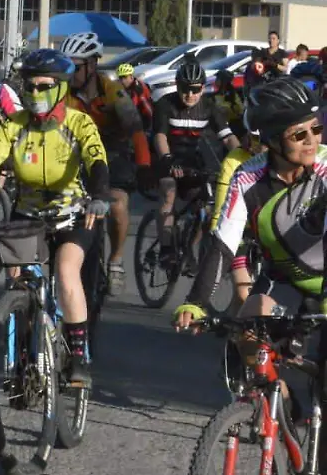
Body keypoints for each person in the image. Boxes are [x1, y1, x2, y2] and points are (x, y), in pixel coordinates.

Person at [0, 48, 110, 387]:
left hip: (73, 214)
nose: (35, 93)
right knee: (18, 280)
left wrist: (99, 197)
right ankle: (22, 360)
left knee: (66, 270)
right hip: (29, 213)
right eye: (30, 86)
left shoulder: (79, 123)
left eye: (44, 86)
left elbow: (97, 163)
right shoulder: (14, 125)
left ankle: (77, 357)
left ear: (61, 88)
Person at [174, 77, 327, 334]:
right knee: (250, 330)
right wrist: (196, 301)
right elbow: (224, 242)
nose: (312, 140)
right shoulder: (247, 177)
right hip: (285, 280)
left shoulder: (325, 164)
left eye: (316, 128)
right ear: (273, 140)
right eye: (299, 134)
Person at [59, 32, 152, 296]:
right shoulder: (63, 91)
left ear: (92, 65)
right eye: (66, 67)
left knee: (118, 203)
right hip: (75, 151)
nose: (69, 74)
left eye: (75, 67)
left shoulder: (111, 89)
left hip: (111, 151)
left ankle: (116, 260)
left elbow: (135, 128)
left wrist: (144, 165)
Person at [153, 60, 239, 259]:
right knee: (169, 192)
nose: (190, 94)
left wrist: (243, 159)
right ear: (177, 86)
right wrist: (167, 159)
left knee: (206, 206)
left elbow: (228, 137)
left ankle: (189, 249)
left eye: (195, 89)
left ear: (202, 88)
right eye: (185, 89)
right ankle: (166, 249)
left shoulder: (209, 107)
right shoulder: (165, 104)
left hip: (192, 161)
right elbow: (160, 136)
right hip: (166, 156)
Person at [116, 63, 154, 129]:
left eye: (125, 77)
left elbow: (133, 106)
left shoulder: (137, 88)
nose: (122, 81)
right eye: (120, 78)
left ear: (131, 77)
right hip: (137, 118)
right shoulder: (129, 87)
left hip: (145, 121)